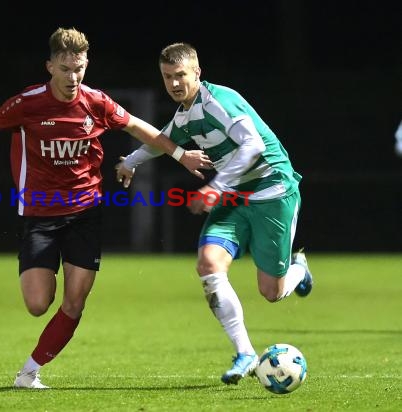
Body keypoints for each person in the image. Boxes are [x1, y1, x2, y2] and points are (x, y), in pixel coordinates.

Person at [0, 28, 212, 389]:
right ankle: (46, 275)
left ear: (86, 64)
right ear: (50, 67)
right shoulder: (28, 103)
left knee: (75, 301)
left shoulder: (97, 102)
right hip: (39, 217)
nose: (73, 77)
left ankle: (28, 373)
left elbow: (140, 128)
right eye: (65, 69)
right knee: (37, 303)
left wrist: (181, 154)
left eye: (78, 68)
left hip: (85, 214)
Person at [116, 42, 313, 385]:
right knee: (208, 263)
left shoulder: (219, 101)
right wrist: (129, 162)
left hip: (272, 191)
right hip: (234, 197)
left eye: (180, 75)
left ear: (197, 73)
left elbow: (253, 145)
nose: (175, 83)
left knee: (272, 292)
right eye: (167, 77)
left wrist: (215, 187)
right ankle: (246, 352)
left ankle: (299, 270)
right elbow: (162, 140)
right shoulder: (185, 114)